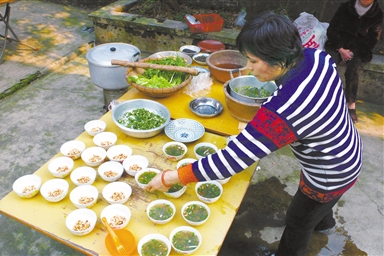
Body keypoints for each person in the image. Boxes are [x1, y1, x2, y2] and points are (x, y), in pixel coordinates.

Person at [145, 12, 363, 255]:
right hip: (346, 147)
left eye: (253, 61)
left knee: (298, 221)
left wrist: (171, 178)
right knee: (318, 208)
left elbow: (231, 161)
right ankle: (324, 223)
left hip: (330, 172)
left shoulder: (285, 110)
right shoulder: (318, 57)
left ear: (278, 59)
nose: (247, 68)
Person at [324, 0, 383, 123]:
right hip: (338, 46)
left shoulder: (378, 15)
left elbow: (372, 40)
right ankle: (327, 100)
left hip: (359, 49)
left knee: (353, 69)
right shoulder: (345, 7)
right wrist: (340, 48)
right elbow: (332, 30)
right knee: (328, 64)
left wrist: (352, 52)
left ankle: (351, 104)